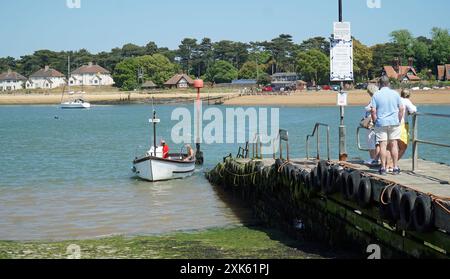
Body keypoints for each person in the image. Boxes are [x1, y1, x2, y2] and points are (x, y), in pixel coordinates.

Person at [370, 76, 405, 175]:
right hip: (394, 122)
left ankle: (383, 168)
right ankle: (395, 167)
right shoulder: (395, 94)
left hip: (381, 122)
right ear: (388, 83)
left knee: (382, 145)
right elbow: (401, 108)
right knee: (394, 144)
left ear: (379, 84)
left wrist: (375, 120)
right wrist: (398, 119)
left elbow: (373, 110)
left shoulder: (376, 95)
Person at [363, 84, 380, 165]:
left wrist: (367, 108)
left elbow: (369, 108)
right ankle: (376, 158)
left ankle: (372, 158)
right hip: (376, 122)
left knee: (371, 141)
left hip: (372, 123)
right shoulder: (379, 98)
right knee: (376, 142)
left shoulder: (374, 99)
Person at [398, 89, 417, 160]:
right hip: (402, 125)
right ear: (408, 95)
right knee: (403, 147)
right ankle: (391, 164)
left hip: (393, 124)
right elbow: (413, 110)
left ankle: (389, 164)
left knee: (394, 145)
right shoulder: (406, 100)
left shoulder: (398, 100)